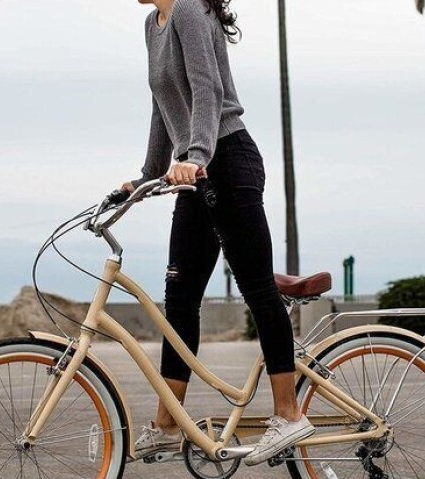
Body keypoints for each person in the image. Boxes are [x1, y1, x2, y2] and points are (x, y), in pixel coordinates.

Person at [121, 0, 315, 466]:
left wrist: (198, 155)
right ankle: (169, 425)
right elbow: (163, 105)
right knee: (180, 299)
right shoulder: (153, 24)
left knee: (257, 288)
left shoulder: (188, 9)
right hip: (197, 168)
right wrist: (147, 175)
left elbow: (206, 89)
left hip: (227, 159)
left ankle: (289, 414)